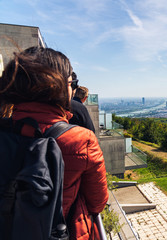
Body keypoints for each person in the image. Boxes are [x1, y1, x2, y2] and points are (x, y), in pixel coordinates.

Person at [0, 46, 108, 240]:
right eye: (70, 83)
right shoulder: (81, 140)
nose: (72, 88)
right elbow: (97, 202)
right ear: (56, 87)